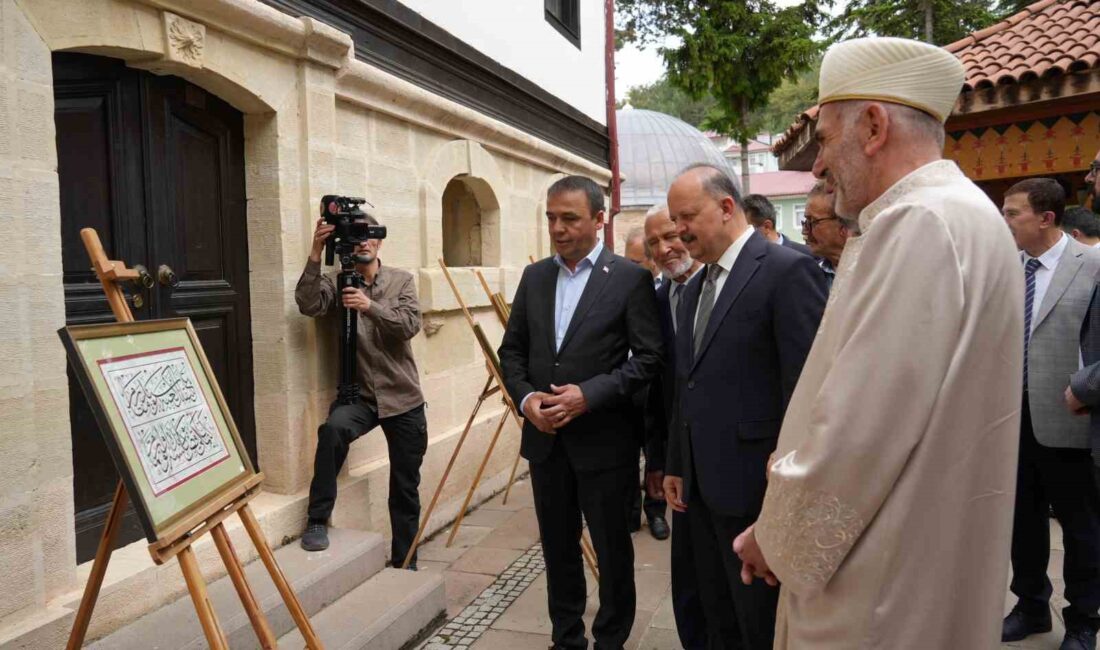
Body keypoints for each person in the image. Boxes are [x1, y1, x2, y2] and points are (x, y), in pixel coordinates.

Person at [735, 37, 1025, 649]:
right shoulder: (965, 213)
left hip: (879, 584)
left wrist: (775, 538)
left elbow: (860, 429)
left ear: (872, 127)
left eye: (827, 138)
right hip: (923, 556)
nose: (816, 166)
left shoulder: (918, 221)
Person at [663, 164, 826, 650]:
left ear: (727, 207)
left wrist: (788, 485)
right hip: (698, 490)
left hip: (757, 489)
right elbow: (685, 385)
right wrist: (675, 461)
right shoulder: (692, 288)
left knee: (760, 621)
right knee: (716, 617)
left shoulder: (786, 271)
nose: (680, 231)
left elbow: (805, 389)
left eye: (687, 216)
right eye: (674, 220)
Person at [498, 175, 663, 649]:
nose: (557, 228)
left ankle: (610, 639)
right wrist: (529, 402)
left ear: (598, 219)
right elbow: (512, 353)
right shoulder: (535, 277)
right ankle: (566, 638)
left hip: (605, 444)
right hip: (547, 445)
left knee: (613, 553)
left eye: (569, 218)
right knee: (557, 550)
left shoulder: (629, 279)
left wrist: (588, 395)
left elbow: (649, 360)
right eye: (551, 217)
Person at [295, 212, 427, 569]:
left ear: (379, 240)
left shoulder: (401, 281)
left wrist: (370, 307)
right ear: (346, 246)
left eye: (370, 235)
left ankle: (405, 561)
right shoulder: (338, 282)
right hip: (360, 398)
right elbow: (308, 305)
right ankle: (317, 520)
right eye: (356, 237)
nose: (363, 242)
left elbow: (409, 326)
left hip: (403, 398)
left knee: (404, 487)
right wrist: (314, 252)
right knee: (333, 431)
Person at [1001, 177, 1100, 650]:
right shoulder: (1008, 267)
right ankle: (1031, 606)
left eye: (1012, 213)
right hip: (1012, 420)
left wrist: (1086, 389)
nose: (1005, 221)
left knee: (1081, 530)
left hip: (1071, 421)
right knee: (1023, 521)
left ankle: (1083, 620)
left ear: (1046, 218)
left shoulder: (1094, 265)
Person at [642, 202, 709, 649]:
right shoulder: (654, 298)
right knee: (690, 578)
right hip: (678, 462)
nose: (666, 249)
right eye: (653, 243)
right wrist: (657, 458)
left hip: (729, 460)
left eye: (671, 235)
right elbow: (656, 388)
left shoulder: (725, 287)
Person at [622, 225, 669, 540]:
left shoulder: (665, 296)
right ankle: (628, 513)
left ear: (652, 262)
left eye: (636, 262)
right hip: (623, 390)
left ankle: (656, 512)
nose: (630, 268)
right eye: (627, 261)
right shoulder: (615, 291)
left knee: (655, 455)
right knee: (624, 454)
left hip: (655, 390)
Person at [800, 180, 857, 291]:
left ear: (844, 224)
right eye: (805, 221)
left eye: (813, 221)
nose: (805, 231)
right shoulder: (808, 277)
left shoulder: (875, 271)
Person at [743, 193, 812, 256]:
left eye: (747, 229)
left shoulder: (806, 255)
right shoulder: (744, 258)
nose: (742, 235)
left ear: (767, 227)